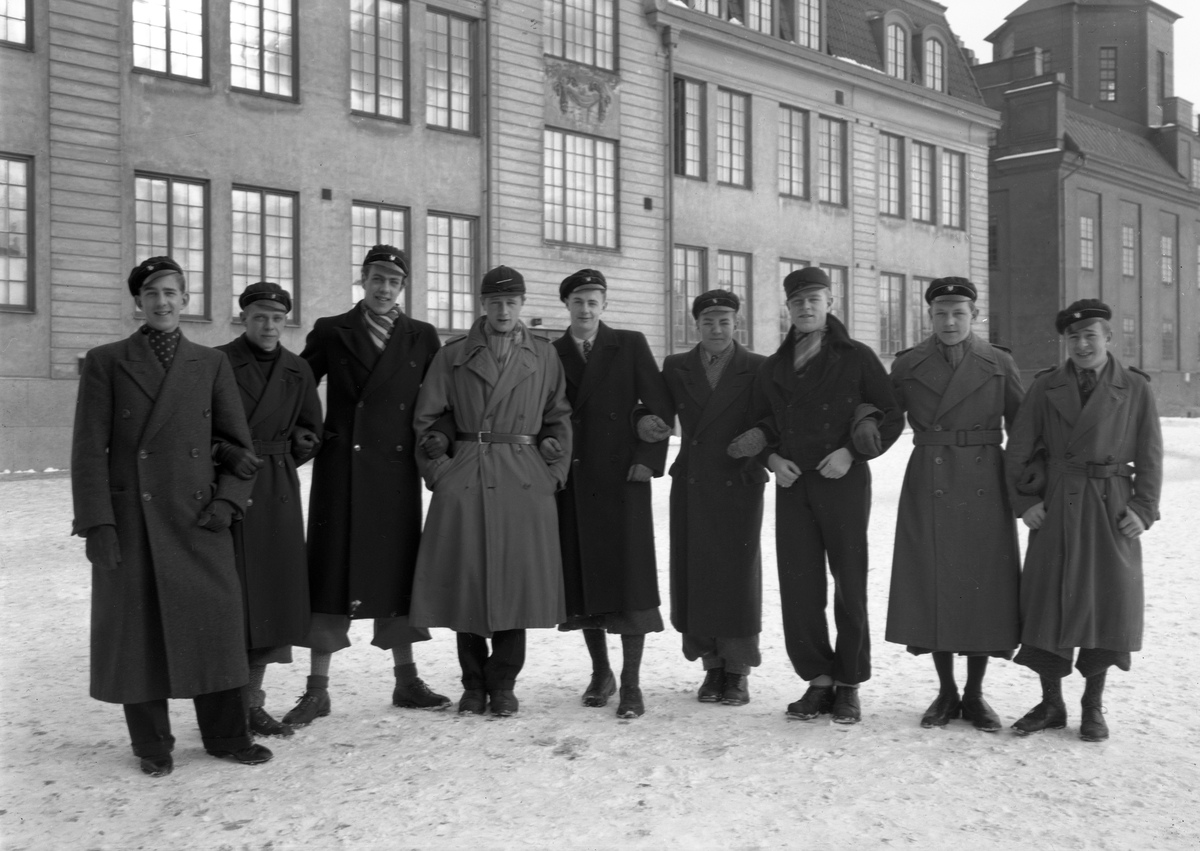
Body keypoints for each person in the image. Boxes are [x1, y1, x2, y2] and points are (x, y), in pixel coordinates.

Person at [71, 256, 270, 777]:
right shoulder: (107, 361)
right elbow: (89, 450)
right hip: (132, 522)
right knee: (137, 633)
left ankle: (227, 736)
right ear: (138, 302)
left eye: (170, 293)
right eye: (151, 293)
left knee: (215, 625)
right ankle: (152, 745)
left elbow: (237, 444)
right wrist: (97, 523)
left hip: (199, 517)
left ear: (185, 299)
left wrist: (228, 502)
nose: (162, 302)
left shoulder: (210, 363)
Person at [284, 245, 450, 726]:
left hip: (395, 472)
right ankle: (317, 689)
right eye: (377, 279)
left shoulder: (422, 336)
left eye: (393, 282)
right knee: (330, 573)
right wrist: (309, 430)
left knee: (396, 573)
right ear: (363, 280)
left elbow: (442, 400)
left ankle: (406, 681)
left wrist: (440, 437)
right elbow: (296, 383)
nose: (384, 289)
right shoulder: (331, 330)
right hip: (343, 471)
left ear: (403, 288)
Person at [739, 267, 902, 725]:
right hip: (794, 485)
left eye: (814, 299)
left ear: (831, 303)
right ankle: (818, 679)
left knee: (849, 582)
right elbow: (757, 423)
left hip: (842, 480)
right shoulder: (774, 367)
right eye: (797, 302)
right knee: (799, 586)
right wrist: (772, 460)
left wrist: (852, 453)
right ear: (787, 309)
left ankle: (848, 683)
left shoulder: (857, 357)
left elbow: (891, 414)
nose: (805, 308)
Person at [410, 266, 573, 717]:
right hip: (467, 474)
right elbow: (426, 417)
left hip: (523, 478)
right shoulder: (454, 354)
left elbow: (558, 415)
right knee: (467, 581)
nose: (503, 311)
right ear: (482, 304)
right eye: (495, 302)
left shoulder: (544, 355)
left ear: (522, 305)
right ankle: (472, 684)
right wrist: (440, 471)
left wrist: (553, 472)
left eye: (511, 303)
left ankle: (503, 684)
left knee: (513, 585)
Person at [1005, 299, 1163, 742]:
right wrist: (1025, 502)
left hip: (1112, 509)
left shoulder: (1135, 387)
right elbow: (1018, 448)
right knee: (1048, 601)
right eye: (1073, 337)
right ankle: (1051, 703)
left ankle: (1092, 705)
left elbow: (1151, 455)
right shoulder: (1045, 386)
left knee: (1105, 602)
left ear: (1108, 338)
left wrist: (1143, 509)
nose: (1081, 344)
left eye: (1090, 335)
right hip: (1057, 505)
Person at [884, 277, 1024, 732]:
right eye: (940, 313)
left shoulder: (999, 362)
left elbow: (1024, 430)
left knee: (983, 586)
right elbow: (884, 416)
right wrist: (860, 432)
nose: (949, 321)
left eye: (958, 313)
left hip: (986, 481)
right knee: (935, 583)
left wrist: (1031, 489)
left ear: (974, 315)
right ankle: (946, 692)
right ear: (929, 316)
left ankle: (975, 694)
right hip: (931, 478)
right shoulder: (908, 364)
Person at [550, 269, 674, 719]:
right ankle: (601, 672)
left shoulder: (630, 344)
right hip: (574, 482)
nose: (586, 309)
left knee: (629, 583)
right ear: (567, 305)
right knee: (584, 583)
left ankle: (632, 683)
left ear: (604, 305)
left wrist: (648, 457)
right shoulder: (552, 352)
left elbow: (660, 405)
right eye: (578, 301)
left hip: (624, 480)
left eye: (593, 301)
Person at [214, 282, 323, 738]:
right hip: (229, 488)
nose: (269, 326)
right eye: (260, 317)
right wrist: (225, 454)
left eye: (278, 318)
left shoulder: (298, 369)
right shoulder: (217, 362)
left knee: (271, 602)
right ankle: (229, 706)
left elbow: (312, 427)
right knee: (235, 599)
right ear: (244, 318)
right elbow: (198, 427)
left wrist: (296, 446)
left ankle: (252, 703)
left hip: (277, 488)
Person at [662, 290, 768, 707]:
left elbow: (775, 415)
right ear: (696, 325)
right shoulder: (676, 366)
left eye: (725, 321)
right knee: (697, 573)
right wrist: (646, 420)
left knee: (737, 577)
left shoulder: (757, 367)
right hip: (693, 481)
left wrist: (761, 435)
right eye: (708, 322)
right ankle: (711, 665)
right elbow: (652, 405)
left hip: (738, 480)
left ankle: (737, 670)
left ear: (736, 324)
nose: (717, 329)